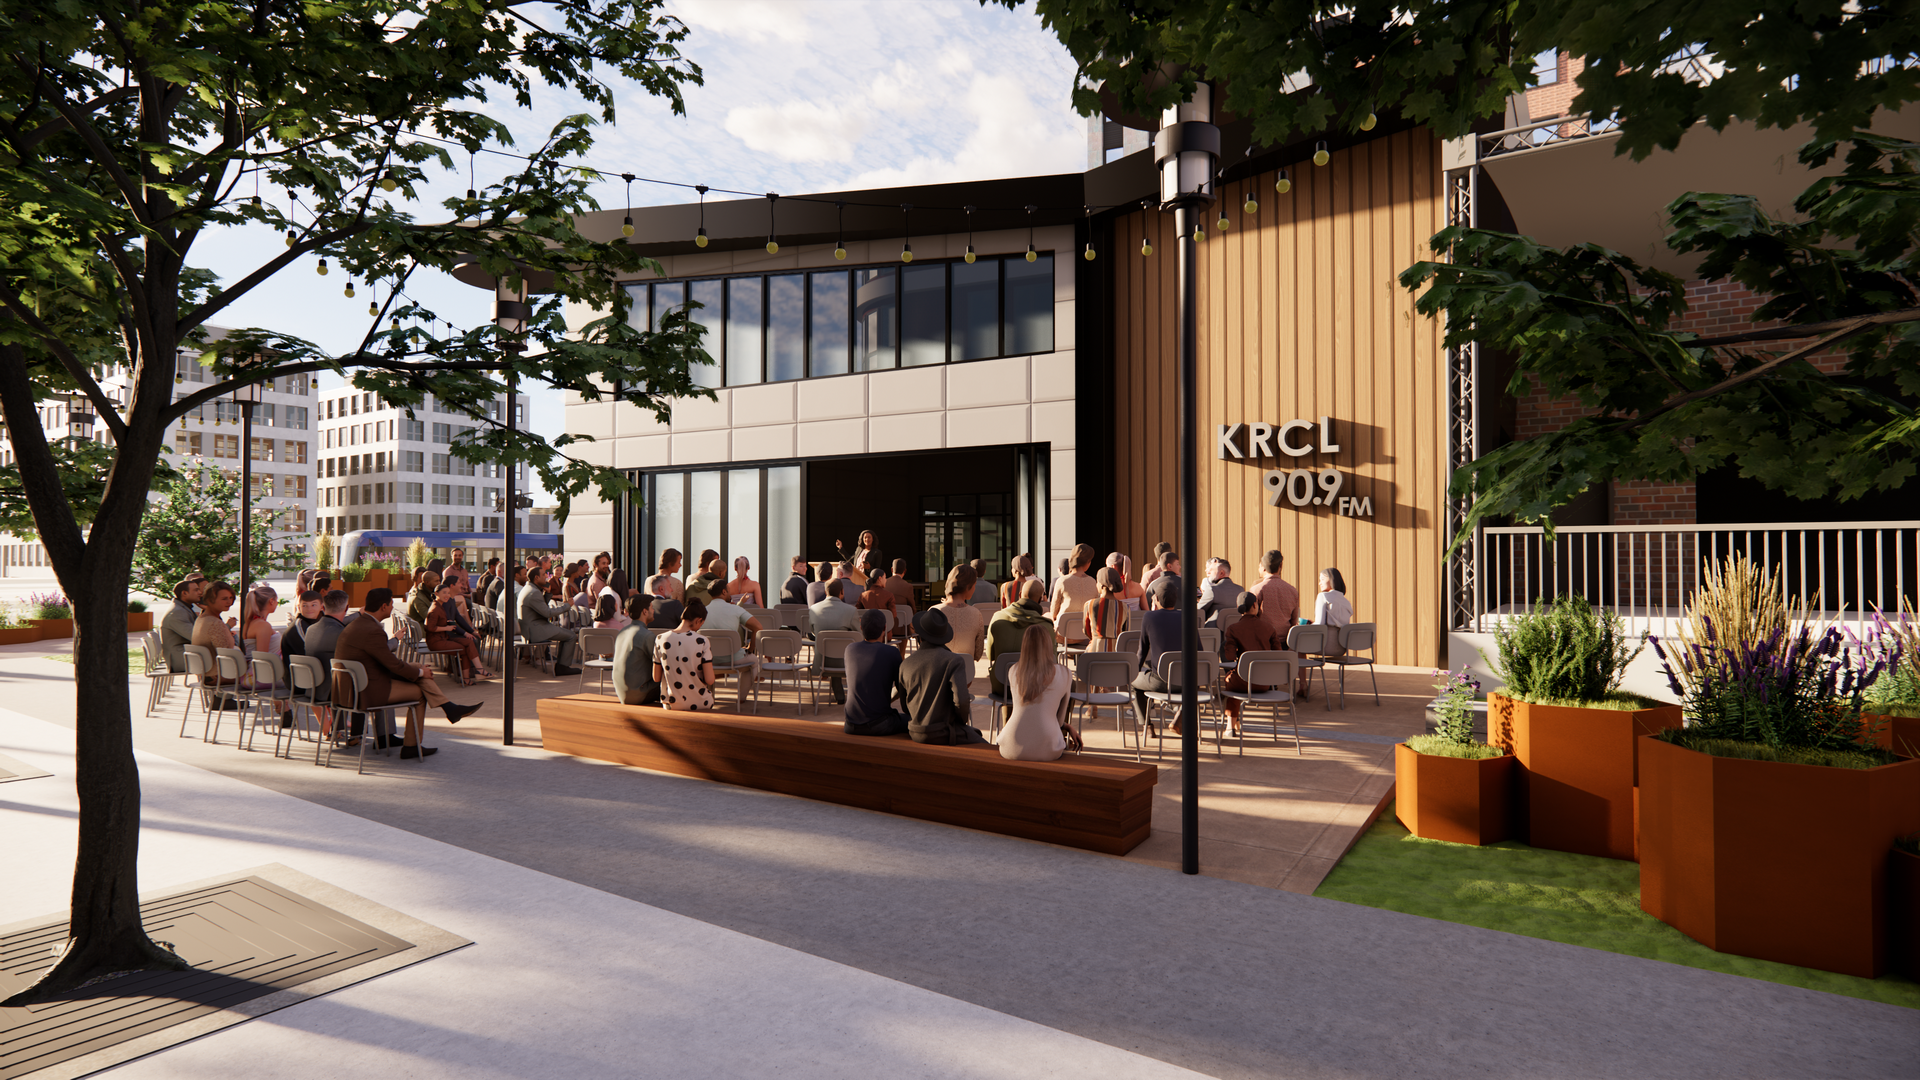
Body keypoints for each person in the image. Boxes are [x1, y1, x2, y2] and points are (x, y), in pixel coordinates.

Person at [332, 588, 480, 757]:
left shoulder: (359, 624)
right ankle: (413, 745)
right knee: (420, 693)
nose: (392, 608)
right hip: (365, 691)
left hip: (352, 687)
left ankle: (449, 708)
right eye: (391, 605)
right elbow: (391, 664)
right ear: (384, 606)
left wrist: (418, 671)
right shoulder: (373, 630)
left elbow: (384, 662)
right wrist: (419, 674)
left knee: (417, 667)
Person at [900, 608, 984, 745]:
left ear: (919, 636)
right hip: (943, 732)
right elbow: (962, 701)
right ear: (943, 636)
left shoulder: (905, 664)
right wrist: (960, 722)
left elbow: (904, 706)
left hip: (914, 732)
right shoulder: (953, 661)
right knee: (984, 745)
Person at [996, 623, 1075, 761]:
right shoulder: (1065, 674)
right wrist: (1068, 727)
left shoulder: (1013, 670)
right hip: (1047, 748)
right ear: (1049, 644)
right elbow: (1060, 720)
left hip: (1010, 746)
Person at [1221, 591, 1283, 735]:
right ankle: (1235, 722)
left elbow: (1229, 656)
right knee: (1235, 678)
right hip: (1265, 683)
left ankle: (1230, 726)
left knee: (1231, 679)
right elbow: (1278, 655)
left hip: (1242, 682)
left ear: (1238, 607)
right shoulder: (1269, 628)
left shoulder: (1233, 629)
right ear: (1255, 605)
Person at [843, 608, 911, 737]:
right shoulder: (892, 652)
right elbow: (902, 688)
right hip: (879, 725)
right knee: (913, 722)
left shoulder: (850, 649)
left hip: (850, 724)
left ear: (861, 626)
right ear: (884, 628)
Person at [1130, 576, 1185, 736]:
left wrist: (1135, 670)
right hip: (1186, 683)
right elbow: (1199, 651)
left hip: (1160, 682)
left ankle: (1147, 727)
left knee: (1134, 682)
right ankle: (1180, 715)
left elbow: (1142, 652)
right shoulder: (1186, 617)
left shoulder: (1149, 617)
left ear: (1157, 598)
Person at [986, 577, 1050, 697]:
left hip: (1002, 685)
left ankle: (1007, 716)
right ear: (1041, 599)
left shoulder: (997, 617)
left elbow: (991, 655)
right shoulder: (1046, 626)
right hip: (1035, 687)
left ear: (1020, 594)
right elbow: (1051, 661)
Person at [238, 586, 293, 725]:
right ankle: (285, 709)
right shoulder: (262, 625)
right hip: (258, 678)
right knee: (306, 677)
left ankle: (284, 710)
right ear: (271, 601)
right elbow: (262, 658)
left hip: (250, 677)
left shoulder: (250, 623)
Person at [652, 598, 715, 711]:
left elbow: (656, 678)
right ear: (698, 620)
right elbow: (710, 680)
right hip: (700, 702)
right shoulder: (702, 641)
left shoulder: (660, 638)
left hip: (670, 704)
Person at [519, 567, 583, 676]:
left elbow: (540, 607)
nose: (546, 577)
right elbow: (547, 613)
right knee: (571, 636)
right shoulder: (533, 592)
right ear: (536, 577)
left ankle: (562, 665)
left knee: (566, 635)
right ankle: (562, 667)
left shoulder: (529, 588)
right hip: (536, 629)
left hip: (532, 627)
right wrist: (567, 605)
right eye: (544, 575)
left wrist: (548, 594)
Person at [699, 589, 762, 699]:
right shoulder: (736, 609)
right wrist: (750, 649)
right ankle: (741, 698)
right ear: (724, 592)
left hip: (708, 659)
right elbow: (758, 627)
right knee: (754, 661)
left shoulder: (701, 611)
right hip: (734, 659)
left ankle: (709, 695)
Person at [808, 578, 861, 703]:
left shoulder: (813, 609)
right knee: (844, 645)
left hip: (822, 661)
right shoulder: (851, 611)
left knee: (834, 646)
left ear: (826, 593)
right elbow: (859, 636)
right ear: (842, 592)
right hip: (845, 663)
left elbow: (813, 632)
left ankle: (840, 695)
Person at [427, 580, 492, 684]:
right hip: (437, 641)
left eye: (448, 593)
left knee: (469, 643)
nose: (447, 595)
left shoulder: (442, 604)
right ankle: (472, 673)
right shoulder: (436, 608)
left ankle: (472, 674)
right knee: (467, 646)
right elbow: (429, 627)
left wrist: (470, 631)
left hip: (443, 637)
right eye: (444, 593)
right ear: (436, 594)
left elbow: (454, 618)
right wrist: (447, 629)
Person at [1305, 567, 1354, 697]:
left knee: (1295, 647)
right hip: (1341, 648)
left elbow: (1319, 624)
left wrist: (1306, 625)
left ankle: (1300, 686)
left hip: (1326, 646)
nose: (1319, 583)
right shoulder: (1346, 602)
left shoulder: (1323, 596)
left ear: (1330, 580)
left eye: (1322, 579)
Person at [611, 596, 660, 706]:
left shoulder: (622, 631)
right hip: (638, 694)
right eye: (652, 608)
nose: (653, 611)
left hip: (622, 692)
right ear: (645, 611)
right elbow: (661, 663)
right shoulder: (646, 635)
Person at [190, 581, 239, 689]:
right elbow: (227, 654)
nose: (229, 602)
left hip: (207, 673)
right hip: (218, 675)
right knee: (268, 671)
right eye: (224, 599)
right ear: (210, 600)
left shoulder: (202, 618)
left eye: (231, 598)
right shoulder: (214, 623)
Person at [933, 564, 986, 662]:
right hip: (965, 672)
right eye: (974, 585)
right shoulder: (976, 614)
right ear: (968, 587)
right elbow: (978, 654)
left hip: (938, 670)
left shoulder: (934, 611)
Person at [1252, 548, 1302, 643]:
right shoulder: (1292, 591)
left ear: (1263, 568)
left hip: (1262, 643)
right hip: (1285, 644)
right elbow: (1293, 621)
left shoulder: (1256, 590)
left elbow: (1250, 620)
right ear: (1281, 565)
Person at [1048, 543, 1099, 636]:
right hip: (1086, 634)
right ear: (1088, 562)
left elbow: (1053, 613)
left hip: (1063, 634)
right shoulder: (1093, 582)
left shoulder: (1062, 581)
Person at [161, 573, 206, 670]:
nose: (200, 593)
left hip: (188, 654)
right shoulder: (177, 612)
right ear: (184, 593)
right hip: (180, 659)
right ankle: (214, 682)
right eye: (196, 590)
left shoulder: (183, 608)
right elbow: (196, 637)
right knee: (223, 656)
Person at [1082, 566, 1131, 653]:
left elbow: (1086, 631)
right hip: (1117, 653)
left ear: (1102, 585)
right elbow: (1126, 633)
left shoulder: (1089, 604)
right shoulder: (1125, 607)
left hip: (1095, 651)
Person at [1200, 557, 1243, 625]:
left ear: (1222, 573)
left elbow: (1197, 611)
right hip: (1234, 631)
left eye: (1211, 569)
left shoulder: (1212, 590)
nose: (1208, 572)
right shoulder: (1240, 589)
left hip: (1212, 633)